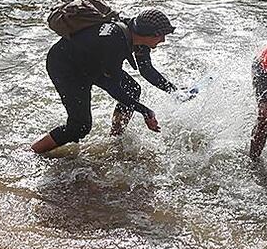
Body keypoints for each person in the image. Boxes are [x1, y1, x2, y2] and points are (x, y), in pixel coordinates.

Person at [31, 9, 179, 154]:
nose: (163, 40)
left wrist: (175, 92)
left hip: (92, 64)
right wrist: (145, 111)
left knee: (132, 89)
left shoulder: (138, 38)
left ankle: (115, 137)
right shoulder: (114, 40)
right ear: (149, 34)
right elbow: (113, 88)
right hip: (66, 68)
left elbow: (146, 70)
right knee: (80, 126)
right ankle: (33, 151)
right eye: (161, 36)